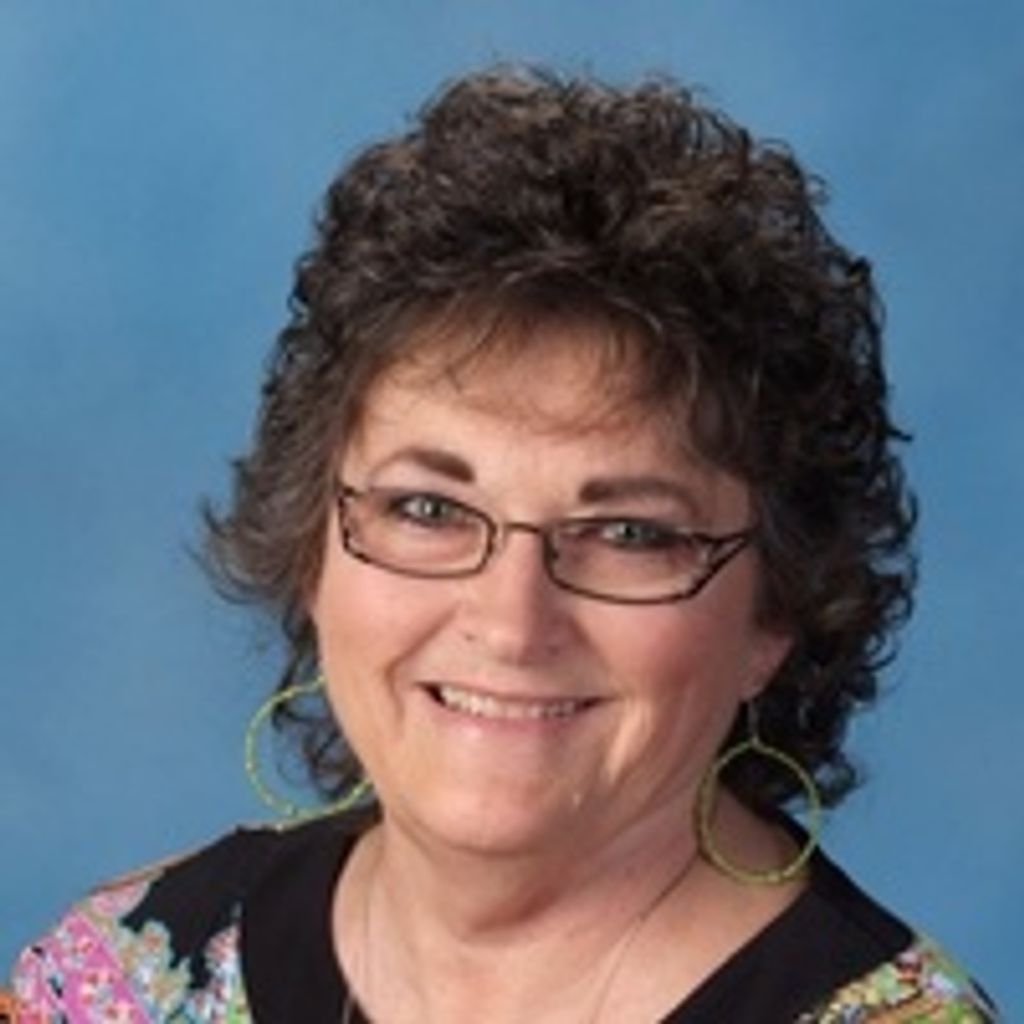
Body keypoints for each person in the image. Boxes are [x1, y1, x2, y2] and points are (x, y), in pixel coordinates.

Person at [3, 66, 999, 1023]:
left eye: (627, 533)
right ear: (312, 549)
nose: (512, 622)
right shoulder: (121, 980)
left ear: (775, 613)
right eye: (428, 509)